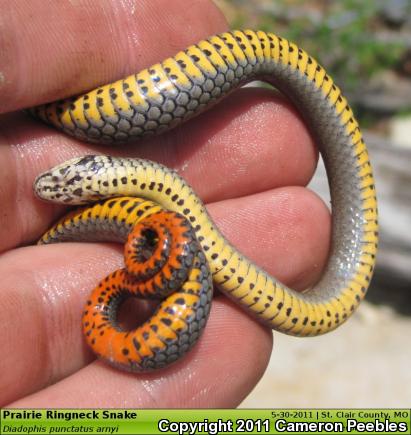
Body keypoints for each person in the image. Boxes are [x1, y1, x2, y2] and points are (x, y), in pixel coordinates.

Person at [0, 0, 330, 407]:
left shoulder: (140, 184)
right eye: (65, 189)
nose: (58, 188)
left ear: (88, 168)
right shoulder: (145, 196)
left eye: (65, 186)